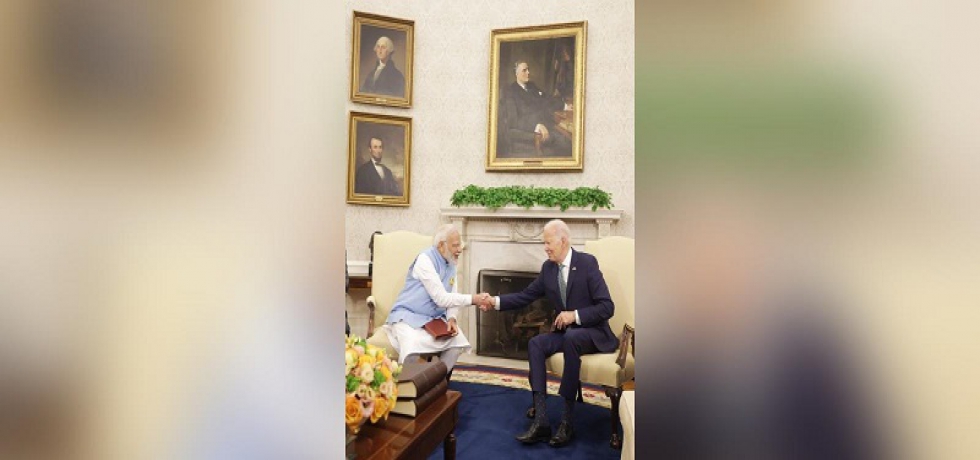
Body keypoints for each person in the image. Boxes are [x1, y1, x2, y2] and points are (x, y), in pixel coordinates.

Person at [477, 219, 617, 447]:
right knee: (536, 344)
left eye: (548, 242)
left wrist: (575, 315)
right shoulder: (548, 269)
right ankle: (542, 421)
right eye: (544, 243)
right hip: (569, 335)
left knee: (572, 337)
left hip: (593, 333)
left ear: (563, 241)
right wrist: (494, 301)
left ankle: (567, 420)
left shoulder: (587, 264)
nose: (545, 247)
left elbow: (607, 307)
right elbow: (525, 296)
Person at [382, 224, 491, 378]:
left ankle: (436, 382)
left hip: (433, 321)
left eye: (460, 244)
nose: (460, 249)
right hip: (407, 317)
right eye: (455, 245)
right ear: (441, 245)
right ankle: (409, 388)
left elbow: (453, 294)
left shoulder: (451, 262)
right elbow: (441, 298)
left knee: (457, 343)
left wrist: (452, 318)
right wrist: (474, 299)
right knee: (411, 349)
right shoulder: (424, 260)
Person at [498, 61, 572, 157]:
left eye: (528, 69)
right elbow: (514, 121)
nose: (528, 72)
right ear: (516, 74)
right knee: (566, 145)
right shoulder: (510, 92)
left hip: (548, 125)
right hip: (532, 133)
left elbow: (546, 98)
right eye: (524, 70)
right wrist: (536, 125)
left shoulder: (531, 86)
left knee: (568, 139)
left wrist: (564, 106)